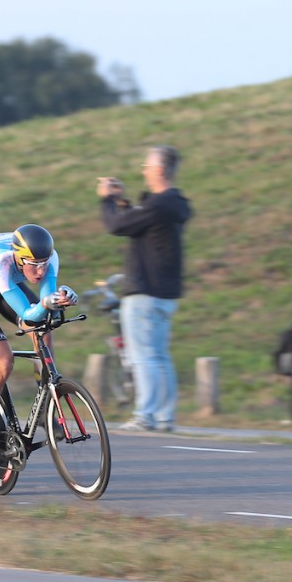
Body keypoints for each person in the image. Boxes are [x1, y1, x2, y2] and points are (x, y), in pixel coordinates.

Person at [0, 225, 78, 465]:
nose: (40, 271)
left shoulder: (50, 258)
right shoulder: (0, 261)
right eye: (33, 264)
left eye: (44, 263)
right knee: (3, 362)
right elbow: (28, 314)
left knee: (44, 332)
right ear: (19, 258)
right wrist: (46, 303)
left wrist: (62, 298)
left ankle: (43, 408)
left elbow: (45, 303)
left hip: (6, 285)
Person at [98, 145, 192, 432]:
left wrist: (107, 201)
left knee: (143, 356)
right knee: (159, 355)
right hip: (165, 293)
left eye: (147, 166)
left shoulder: (158, 205)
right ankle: (165, 416)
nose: (143, 170)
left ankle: (145, 415)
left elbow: (115, 226)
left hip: (144, 292)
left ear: (160, 170)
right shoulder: (172, 205)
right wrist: (124, 203)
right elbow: (140, 223)